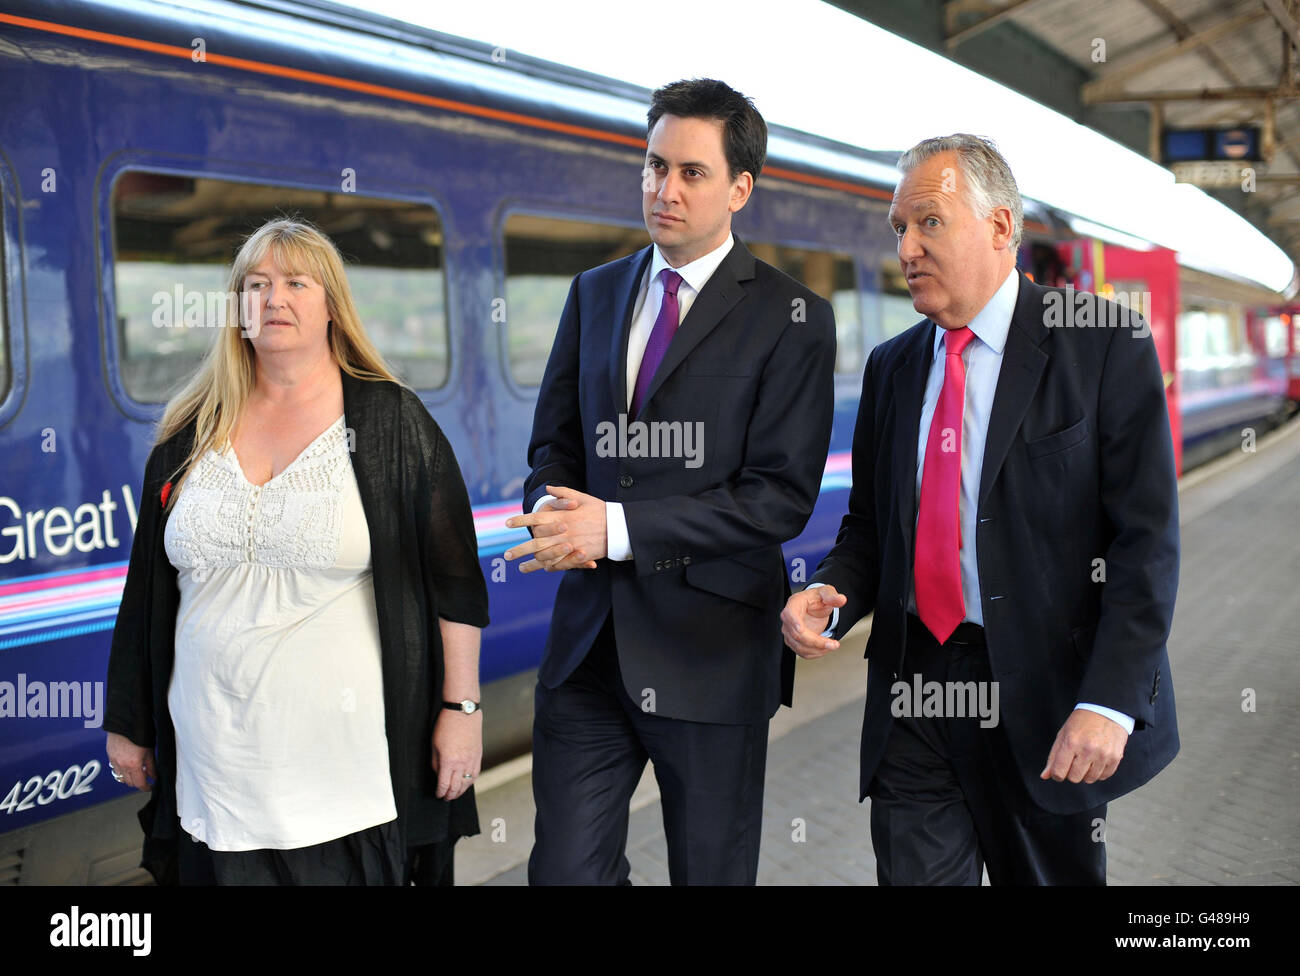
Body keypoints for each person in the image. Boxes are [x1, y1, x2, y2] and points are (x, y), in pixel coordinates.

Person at [781, 134, 1180, 885]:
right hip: (916, 690)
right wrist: (830, 596)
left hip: (1049, 699)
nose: (907, 246)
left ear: (1000, 227)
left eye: (929, 222)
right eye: (898, 227)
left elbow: (1146, 545)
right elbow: (869, 527)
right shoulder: (893, 367)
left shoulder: (1101, 346)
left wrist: (1110, 702)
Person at [504, 78, 836, 885]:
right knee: (564, 875)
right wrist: (553, 505)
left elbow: (778, 497)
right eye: (654, 166)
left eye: (691, 172)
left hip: (712, 659)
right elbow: (553, 443)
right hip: (588, 653)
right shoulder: (595, 292)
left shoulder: (792, 317)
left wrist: (614, 529)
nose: (665, 189)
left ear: (739, 189)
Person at [104, 218, 489, 885]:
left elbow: (453, 579)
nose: (274, 299)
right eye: (256, 285)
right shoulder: (189, 432)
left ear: (332, 305)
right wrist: (128, 722)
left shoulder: (391, 422)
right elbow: (147, 592)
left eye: (294, 283)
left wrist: (461, 711)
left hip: (343, 773)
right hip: (214, 765)